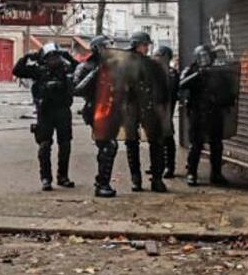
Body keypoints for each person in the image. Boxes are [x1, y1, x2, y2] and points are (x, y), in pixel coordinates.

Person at [12, 43, 78, 191]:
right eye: (50, 57)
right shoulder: (39, 71)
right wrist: (27, 57)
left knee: (65, 145)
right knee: (44, 145)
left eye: (56, 56)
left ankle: (63, 176)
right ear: (44, 59)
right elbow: (17, 70)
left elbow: (79, 68)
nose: (54, 60)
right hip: (45, 112)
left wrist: (68, 56)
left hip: (62, 110)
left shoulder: (65, 69)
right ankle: (46, 178)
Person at [73, 35, 117, 198]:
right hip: (95, 110)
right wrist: (97, 72)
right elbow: (77, 89)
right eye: (106, 47)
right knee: (108, 146)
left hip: (111, 109)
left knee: (107, 147)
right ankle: (102, 184)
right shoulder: (86, 66)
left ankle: (102, 182)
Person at [124, 31, 167, 193]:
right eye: (144, 45)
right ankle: (136, 178)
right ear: (136, 45)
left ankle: (157, 178)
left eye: (147, 45)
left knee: (156, 142)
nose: (147, 48)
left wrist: (160, 104)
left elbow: (162, 87)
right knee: (132, 142)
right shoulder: (125, 63)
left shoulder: (152, 64)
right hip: (132, 106)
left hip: (149, 106)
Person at [180, 45, 227, 186]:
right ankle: (192, 173)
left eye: (207, 56)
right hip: (197, 113)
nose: (204, 59)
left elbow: (228, 89)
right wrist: (198, 75)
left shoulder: (218, 71)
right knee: (196, 145)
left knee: (217, 145)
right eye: (202, 56)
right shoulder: (191, 70)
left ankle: (216, 174)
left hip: (215, 113)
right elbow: (181, 84)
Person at [152, 46, 179, 178]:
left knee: (167, 137)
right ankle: (157, 165)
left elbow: (171, 91)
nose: (155, 57)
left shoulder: (171, 73)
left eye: (157, 55)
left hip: (166, 108)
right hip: (154, 109)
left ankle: (170, 166)